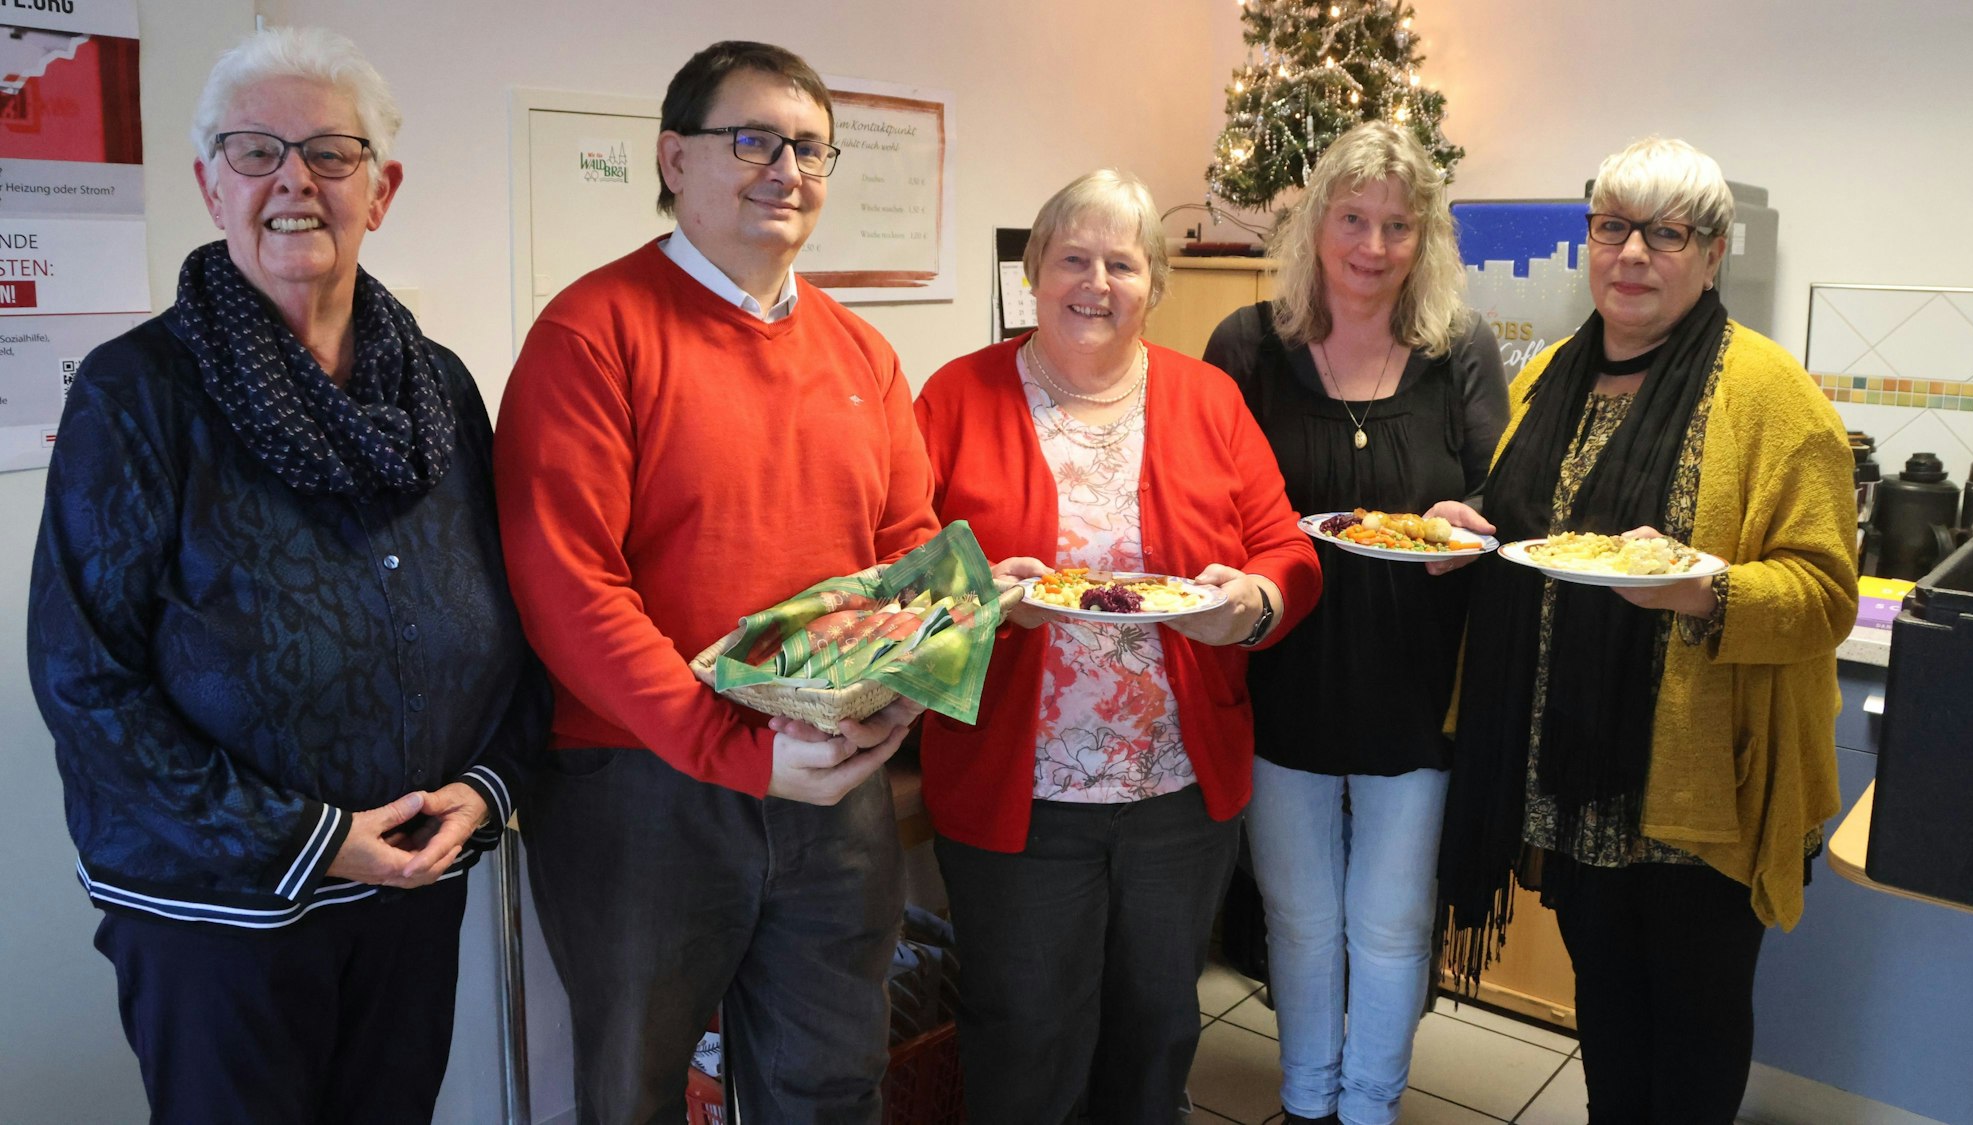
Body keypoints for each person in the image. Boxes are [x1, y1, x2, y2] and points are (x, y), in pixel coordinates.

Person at [26, 27, 544, 1123]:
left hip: (413, 880)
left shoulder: (440, 386)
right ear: (211, 186)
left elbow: (512, 609)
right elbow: (84, 682)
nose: (293, 180)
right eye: (255, 152)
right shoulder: (137, 394)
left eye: (329, 152)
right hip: (220, 910)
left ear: (382, 188)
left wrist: (484, 789)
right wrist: (308, 840)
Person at [493, 41, 935, 1123]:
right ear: (672, 159)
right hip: (642, 790)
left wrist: (905, 689)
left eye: (808, 148)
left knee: (829, 1080)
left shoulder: (862, 356)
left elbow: (907, 550)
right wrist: (735, 746)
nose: (784, 168)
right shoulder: (590, 335)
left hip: (833, 782)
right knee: (636, 1089)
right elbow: (569, 588)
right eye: (752, 140)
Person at [1433, 138, 1857, 1124]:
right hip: (1575, 781)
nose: (1631, 254)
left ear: (1710, 255)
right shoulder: (1548, 376)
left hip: (1695, 794)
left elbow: (1823, 594)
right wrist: (1469, 523)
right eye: (1612, 226)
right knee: (1610, 1018)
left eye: (1663, 234)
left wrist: (1703, 593)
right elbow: (1527, 534)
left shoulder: (1768, 396)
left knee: (1694, 1027)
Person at [913, 169, 1322, 1125]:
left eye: (1123, 264)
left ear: (1154, 285)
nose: (1096, 282)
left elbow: (1287, 550)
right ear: (1033, 269)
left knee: (1155, 1030)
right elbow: (897, 566)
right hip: (1020, 791)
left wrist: (1254, 604)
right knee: (1024, 1033)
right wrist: (982, 598)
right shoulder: (955, 395)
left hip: (1176, 790)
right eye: (1074, 259)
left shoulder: (1209, 398)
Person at [1202, 121, 1506, 1125]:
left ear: (1422, 240)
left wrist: (1465, 525)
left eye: (1396, 226)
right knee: (1296, 913)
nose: (1372, 247)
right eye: (1352, 220)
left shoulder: (1457, 349)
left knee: (1388, 919)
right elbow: (1209, 502)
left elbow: (1489, 498)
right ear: (1313, 225)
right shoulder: (1246, 346)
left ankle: (1369, 1105)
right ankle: (1304, 1097)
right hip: (1282, 676)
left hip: (1414, 683)